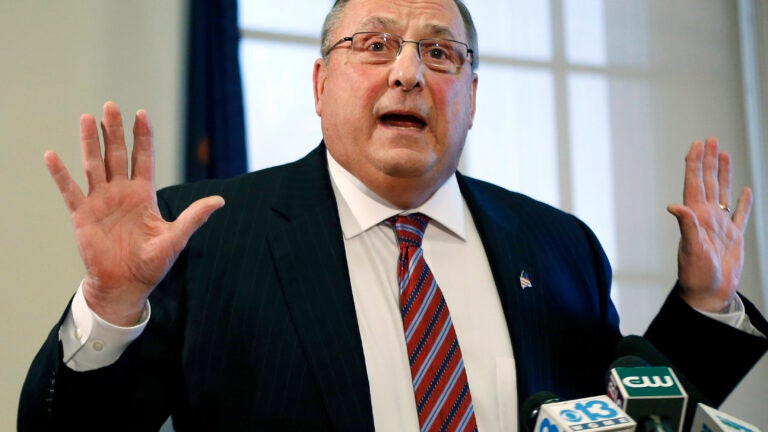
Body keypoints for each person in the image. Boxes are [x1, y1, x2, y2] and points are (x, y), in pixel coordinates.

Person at [19, 0, 767, 430]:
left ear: (473, 94)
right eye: (374, 46)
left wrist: (705, 303)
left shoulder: (558, 244)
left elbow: (625, 411)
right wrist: (111, 308)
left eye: (440, 55)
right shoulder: (203, 234)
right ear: (320, 85)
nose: (408, 73)